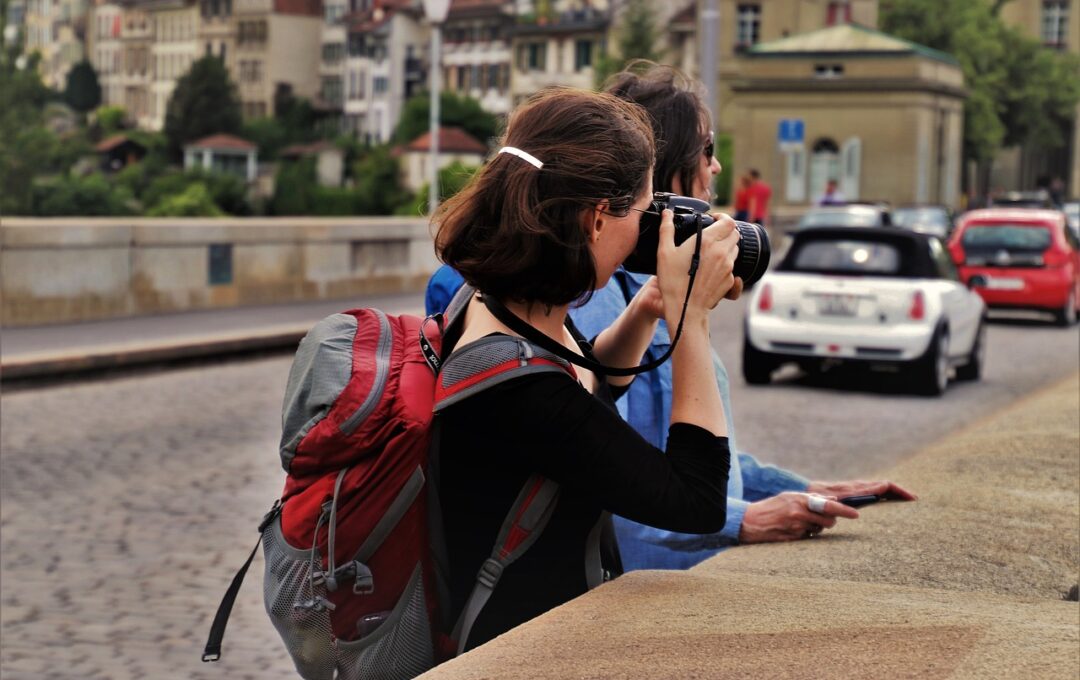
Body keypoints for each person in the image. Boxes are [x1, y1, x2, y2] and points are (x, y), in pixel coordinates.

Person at [569, 62, 915, 571]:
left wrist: (800, 489)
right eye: (707, 150)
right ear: (662, 168)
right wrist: (745, 520)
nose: (717, 168)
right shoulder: (598, 294)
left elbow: (692, 452)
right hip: (639, 591)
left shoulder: (651, 285)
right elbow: (606, 475)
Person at [433, 87, 743, 651]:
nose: (651, 228)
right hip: (516, 650)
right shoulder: (520, 390)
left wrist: (651, 305)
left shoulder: (500, 305)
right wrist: (690, 317)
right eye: (646, 210)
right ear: (598, 220)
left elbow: (589, 384)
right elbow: (695, 502)